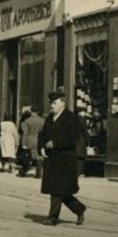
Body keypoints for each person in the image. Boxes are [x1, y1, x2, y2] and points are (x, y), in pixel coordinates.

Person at [39, 91, 87, 226]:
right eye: (51, 103)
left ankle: (53, 217)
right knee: (60, 191)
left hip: (65, 161)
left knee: (58, 190)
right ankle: (79, 208)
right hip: (52, 159)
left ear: (63, 103)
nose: (51, 106)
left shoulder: (71, 118)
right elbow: (42, 135)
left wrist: (55, 143)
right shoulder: (50, 118)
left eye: (54, 103)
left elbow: (72, 139)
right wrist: (41, 146)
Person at [19, 106, 45, 179]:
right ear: (38, 111)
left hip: (29, 139)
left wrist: (23, 143)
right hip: (38, 138)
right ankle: (38, 173)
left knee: (27, 155)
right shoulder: (42, 120)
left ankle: (24, 171)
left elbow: (25, 133)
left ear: (31, 111)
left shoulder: (27, 120)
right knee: (39, 156)